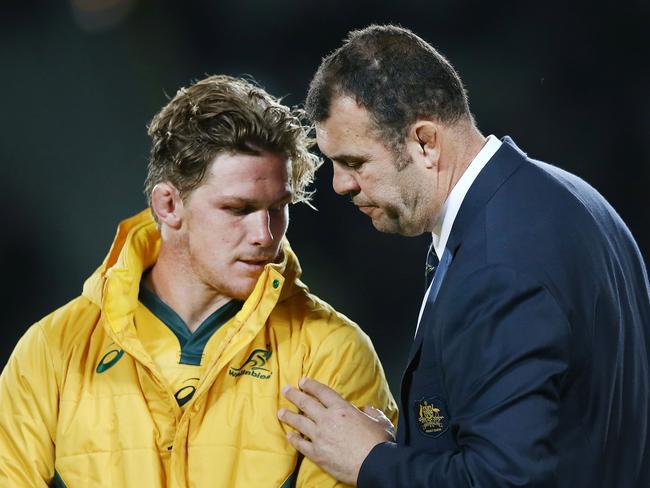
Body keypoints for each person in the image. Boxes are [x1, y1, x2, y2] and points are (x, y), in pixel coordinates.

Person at [277, 25, 650, 487]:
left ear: (426, 142)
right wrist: (413, 448)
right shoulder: (569, 199)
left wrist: (370, 461)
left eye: (354, 162)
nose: (340, 185)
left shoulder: (499, 265)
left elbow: (505, 480)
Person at [0, 74, 397, 487]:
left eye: (278, 208)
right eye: (238, 208)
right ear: (169, 205)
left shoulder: (333, 354)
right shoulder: (52, 352)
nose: (265, 234)